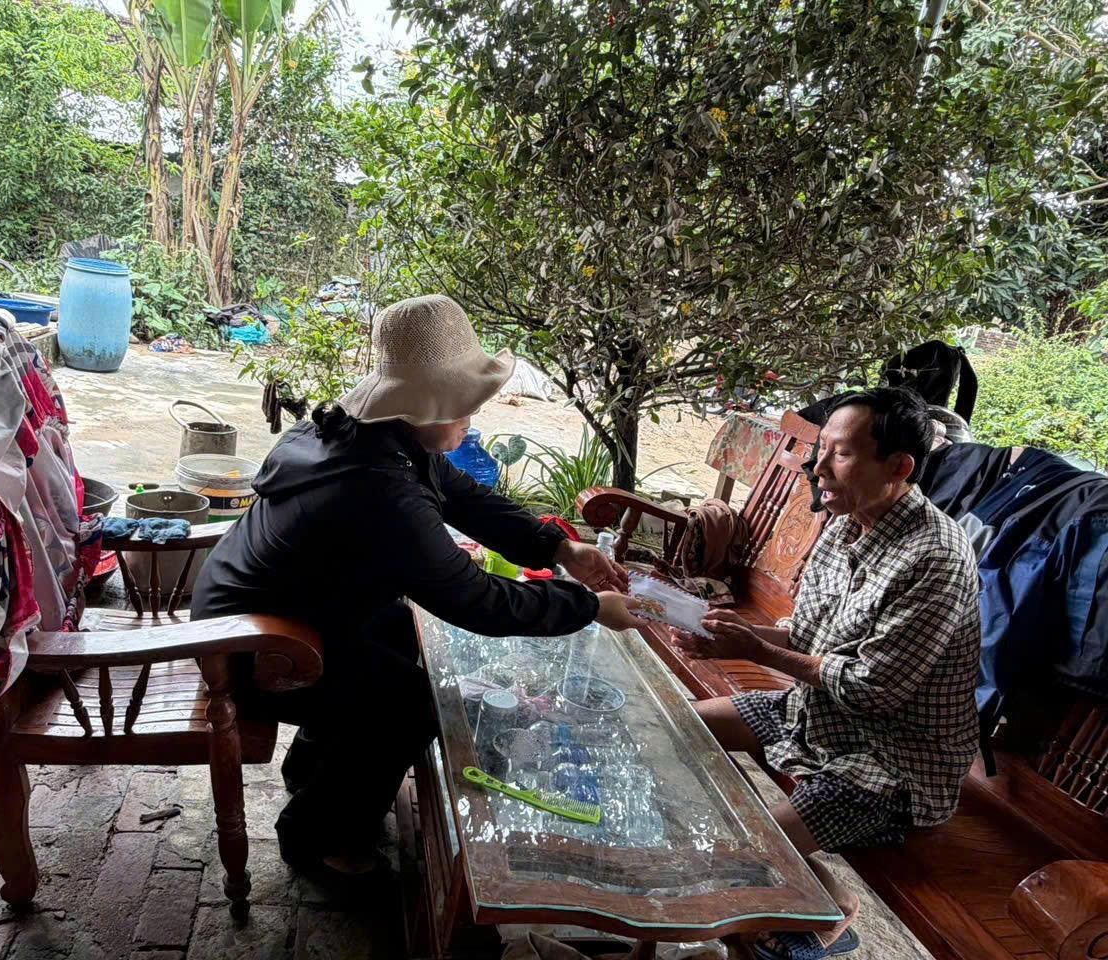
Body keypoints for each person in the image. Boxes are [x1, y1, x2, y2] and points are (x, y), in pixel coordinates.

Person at [191, 293, 646, 880]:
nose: (472, 419)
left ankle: (315, 776)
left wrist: (559, 548)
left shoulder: (376, 436)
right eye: (465, 406)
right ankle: (317, 839)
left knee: (401, 637)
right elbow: (477, 600)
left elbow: (464, 497)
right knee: (406, 705)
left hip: (279, 605)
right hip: (248, 644)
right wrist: (587, 607)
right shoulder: (380, 488)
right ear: (426, 406)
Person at [673, 387, 980, 960]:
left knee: (737, 854)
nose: (818, 466)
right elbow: (805, 635)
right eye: (822, 450)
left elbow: (871, 688)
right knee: (672, 728)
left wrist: (755, 652)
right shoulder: (844, 523)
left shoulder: (936, 558)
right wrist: (730, 639)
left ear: (899, 467)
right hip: (815, 712)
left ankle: (825, 911)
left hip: (894, 760)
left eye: (840, 453)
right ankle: (816, 883)